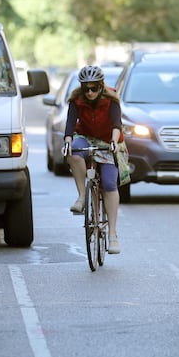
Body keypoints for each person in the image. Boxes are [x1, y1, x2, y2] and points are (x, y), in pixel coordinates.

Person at [62, 65, 124, 254]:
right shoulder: (76, 99)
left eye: (94, 88)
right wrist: (67, 142)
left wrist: (113, 142)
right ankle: (82, 196)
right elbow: (70, 124)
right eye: (86, 88)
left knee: (109, 184)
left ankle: (112, 236)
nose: (89, 92)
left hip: (108, 141)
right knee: (73, 152)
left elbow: (116, 124)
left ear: (101, 86)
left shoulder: (111, 99)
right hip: (86, 137)